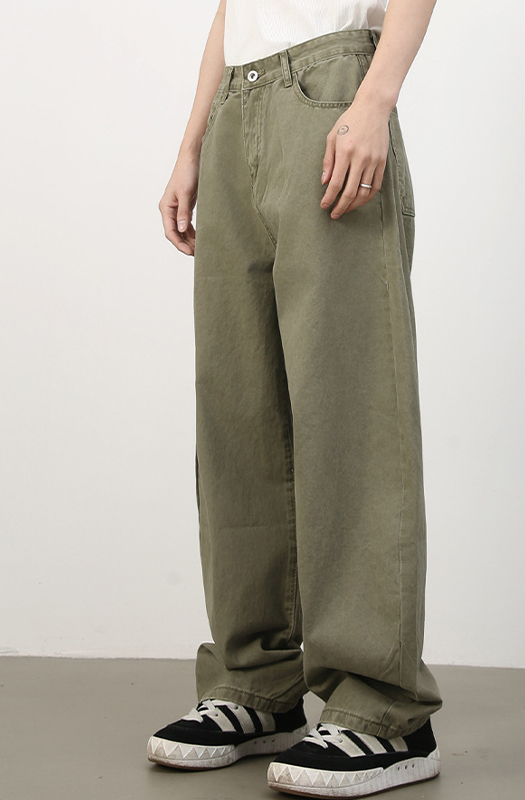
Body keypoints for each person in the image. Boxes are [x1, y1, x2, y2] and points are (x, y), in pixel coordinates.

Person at [149, 0, 442, 796]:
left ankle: (384, 710)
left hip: (334, 88)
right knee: (239, 412)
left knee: (351, 404)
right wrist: (192, 143)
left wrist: (374, 99)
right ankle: (256, 684)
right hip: (236, 104)